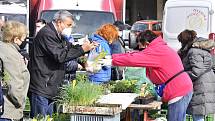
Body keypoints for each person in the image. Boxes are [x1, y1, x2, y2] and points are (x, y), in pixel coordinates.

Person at [101, 30, 193, 121]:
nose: (141, 50)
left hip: (178, 89)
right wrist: (113, 57)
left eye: (141, 47)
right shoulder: (159, 48)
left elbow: (134, 59)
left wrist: (112, 61)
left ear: (147, 44)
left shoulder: (156, 51)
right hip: (180, 87)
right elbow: (135, 55)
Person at [28, 10, 97, 118]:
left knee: (49, 118)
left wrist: (85, 48)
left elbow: (70, 48)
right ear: (59, 22)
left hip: (50, 86)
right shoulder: (47, 34)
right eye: (68, 25)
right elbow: (60, 56)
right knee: (40, 118)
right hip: (42, 85)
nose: (70, 28)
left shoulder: (59, 35)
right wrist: (82, 49)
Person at [178, 30, 215, 121]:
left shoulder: (193, 51)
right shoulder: (200, 48)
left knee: (198, 113)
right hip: (205, 81)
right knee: (200, 112)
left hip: (201, 83)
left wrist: (181, 75)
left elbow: (196, 71)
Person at [0, 21, 30, 120]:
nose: (24, 42)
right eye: (23, 39)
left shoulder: (3, 47)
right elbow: (13, 84)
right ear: (16, 39)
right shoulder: (11, 54)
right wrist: (20, 103)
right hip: (9, 110)